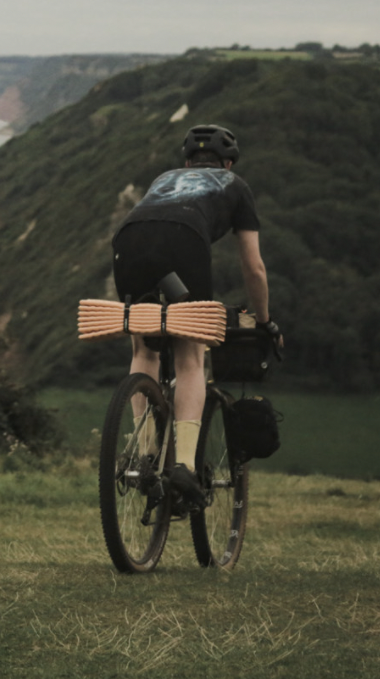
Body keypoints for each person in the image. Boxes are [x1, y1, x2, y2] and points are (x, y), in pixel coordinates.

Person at [111, 124, 280, 509]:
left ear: (187, 161)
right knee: (191, 354)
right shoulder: (235, 184)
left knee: (144, 346)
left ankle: (145, 452)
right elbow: (254, 268)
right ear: (229, 162)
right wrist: (265, 320)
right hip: (184, 241)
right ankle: (184, 466)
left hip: (129, 238)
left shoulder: (164, 178)